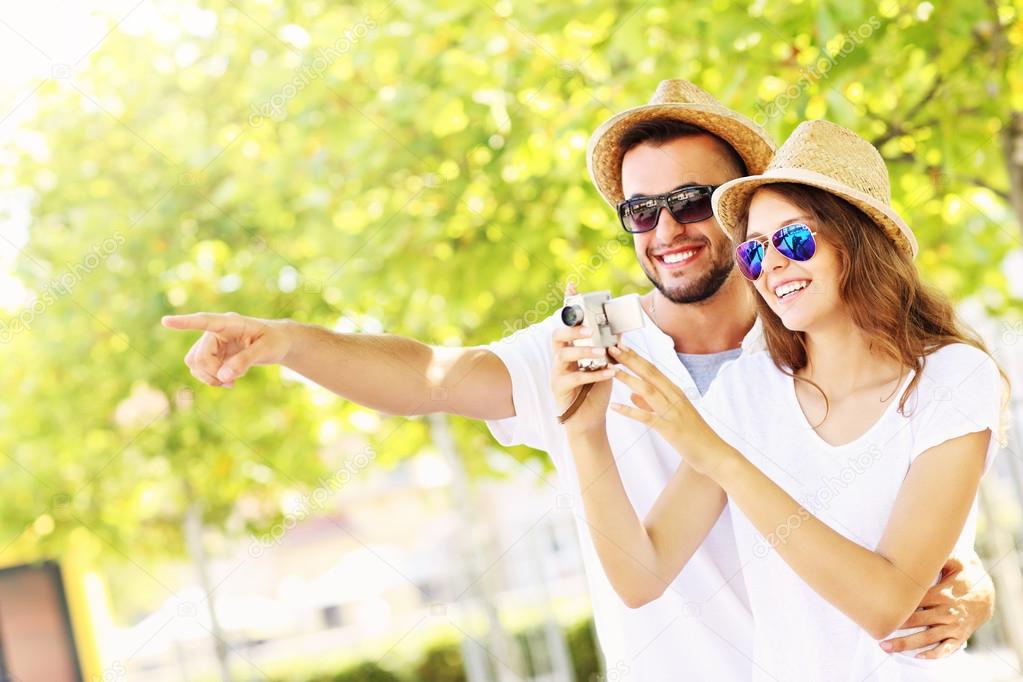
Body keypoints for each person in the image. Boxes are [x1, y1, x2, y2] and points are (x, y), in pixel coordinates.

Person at [161, 81, 995, 680]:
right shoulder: (609, 350)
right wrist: (287, 342)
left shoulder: (816, 366)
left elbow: (897, 543)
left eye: (693, 201)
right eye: (639, 211)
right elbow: (431, 377)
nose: (664, 228)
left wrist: (969, 587)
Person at [557, 119, 1009, 680]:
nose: (770, 266)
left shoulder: (952, 378)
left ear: (858, 239)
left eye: (794, 239)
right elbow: (639, 576)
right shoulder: (746, 393)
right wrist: (583, 431)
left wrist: (718, 455)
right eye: (752, 252)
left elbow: (885, 604)